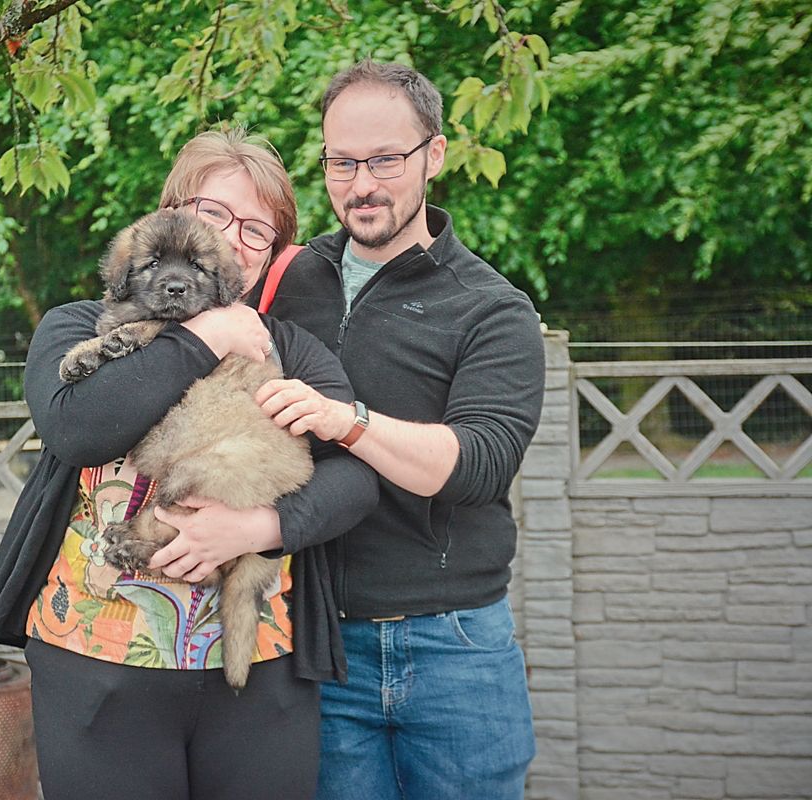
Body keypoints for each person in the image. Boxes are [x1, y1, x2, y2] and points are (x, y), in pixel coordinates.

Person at [161, 60, 546, 798]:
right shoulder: (287, 277)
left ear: (434, 155)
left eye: (384, 160)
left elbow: (480, 464)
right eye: (342, 162)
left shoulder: (492, 308)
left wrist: (350, 421)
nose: (361, 183)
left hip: (452, 645)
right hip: (314, 639)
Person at [0, 128, 378, 800]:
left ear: (270, 254)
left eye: (257, 229)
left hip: (258, 671)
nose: (234, 238)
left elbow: (355, 477)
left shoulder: (291, 351)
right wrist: (203, 337)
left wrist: (258, 529)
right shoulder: (78, 325)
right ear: (170, 216)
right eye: (215, 214)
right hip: (94, 662)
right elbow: (77, 429)